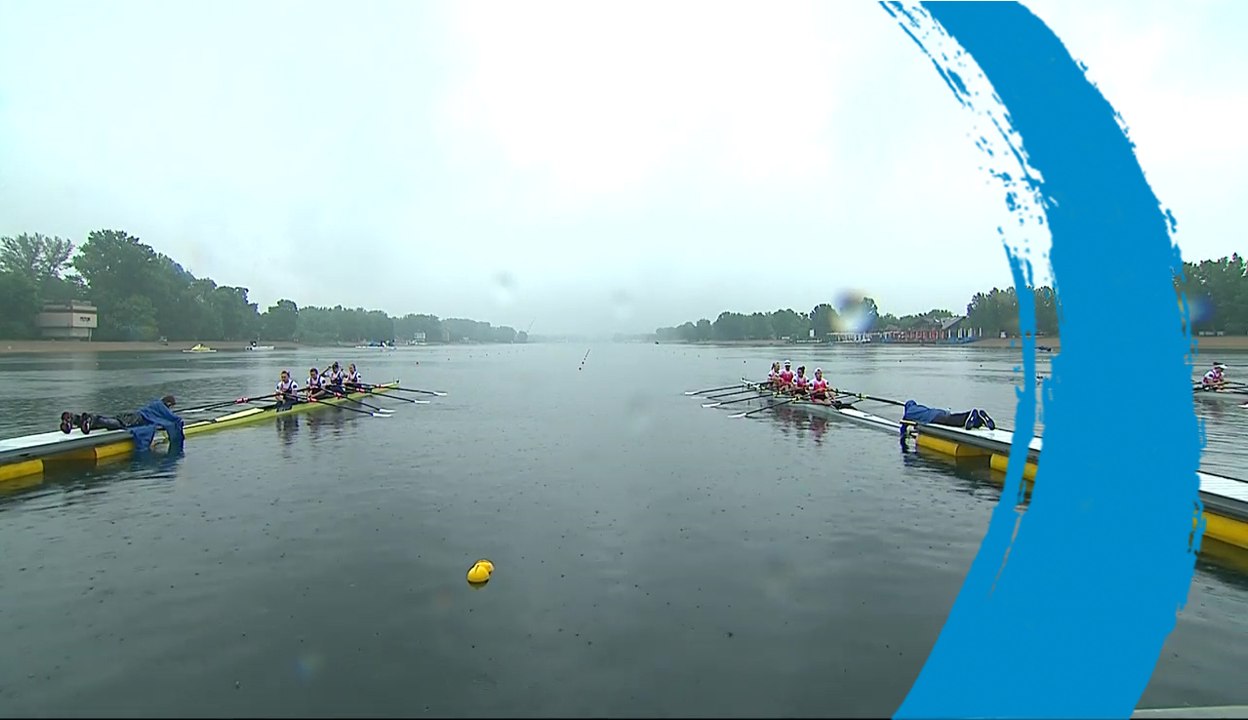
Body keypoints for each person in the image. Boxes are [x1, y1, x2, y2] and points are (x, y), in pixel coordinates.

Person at [60, 395, 186, 448]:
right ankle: (91, 418)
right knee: (116, 424)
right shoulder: (160, 406)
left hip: (132, 415)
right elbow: (171, 418)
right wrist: (179, 422)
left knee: (112, 422)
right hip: (136, 418)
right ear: (168, 403)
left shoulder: (155, 405)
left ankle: (75, 419)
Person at [902, 399, 996, 431]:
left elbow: (903, 425)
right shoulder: (918, 407)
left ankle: (968, 414)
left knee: (953, 421)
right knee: (951, 417)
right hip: (938, 412)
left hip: (933, 418)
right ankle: (979, 420)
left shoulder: (908, 413)